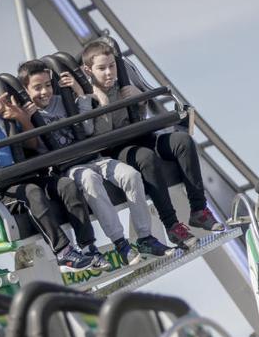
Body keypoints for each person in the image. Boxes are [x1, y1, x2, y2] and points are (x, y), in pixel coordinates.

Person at [18, 59, 171, 265]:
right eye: (37, 88)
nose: (44, 91)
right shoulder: (25, 114)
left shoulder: (62, 100)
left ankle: (145, 236)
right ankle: (120, 243)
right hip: (68, 167)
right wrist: (26, 120)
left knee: (131, 175)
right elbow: (35, 146)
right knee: (89, 180)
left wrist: (79, 92)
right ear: (25, 90)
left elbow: (87, 128)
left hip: (94, 157)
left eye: (47, 85)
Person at [79, 40, 224, 250]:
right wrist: (102, 104)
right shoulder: (86, 96)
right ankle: (172, 225)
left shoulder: (125, 77)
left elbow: (150, 101)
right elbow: (95, 134)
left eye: (111, 66)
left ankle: (199, 210)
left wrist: (139, 98)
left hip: (144, 135)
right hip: (118, 148)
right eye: (102, 69)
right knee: (146, 158)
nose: (109, 72)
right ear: (88, 70)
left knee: (183, 141)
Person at [0, 75, 94, 271]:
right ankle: (63, 252)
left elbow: (30, 144)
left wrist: (21, 118)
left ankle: (88, 246)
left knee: (65, 185)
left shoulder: (0, 122)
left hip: (23, 175)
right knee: (31, 192)